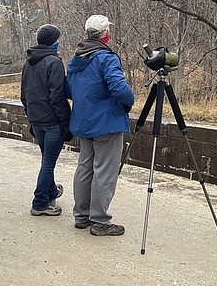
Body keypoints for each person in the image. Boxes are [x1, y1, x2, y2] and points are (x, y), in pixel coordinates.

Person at [66, 15, 134, 236]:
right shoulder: (106, 58)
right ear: (106, 34)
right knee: (104, 172)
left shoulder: (75, 58)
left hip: (83, 121)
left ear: (87, 33)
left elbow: (69, 89)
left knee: (85, 168)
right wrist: (129, 101)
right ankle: (100, 221)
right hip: (106, 123)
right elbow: (119, 87)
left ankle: (81, 216)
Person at [20, 24, 72, 216]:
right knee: (48, 162)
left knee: (46, 160)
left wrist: (31, 115)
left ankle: (51, 191)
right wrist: (65, 122)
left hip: (36, 120)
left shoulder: (28, 62)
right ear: (53, 42)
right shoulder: (53, 62)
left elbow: (23, 94)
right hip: (51, 121)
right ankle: (40, 202)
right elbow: (57, 96)